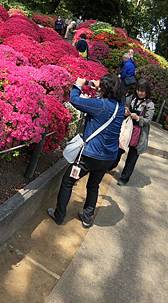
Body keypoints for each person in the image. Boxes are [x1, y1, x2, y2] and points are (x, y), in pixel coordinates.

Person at [48, 75, 125, 228]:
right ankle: (87, 216)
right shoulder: (120, 107)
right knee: (93, 185)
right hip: (108, 157)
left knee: (68, 181)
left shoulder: (100, 105)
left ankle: (59, 215)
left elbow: (75, 100)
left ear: (105, 89)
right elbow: (109, 99)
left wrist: (78, 85)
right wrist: (100, 88)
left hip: (90, 156)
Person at [111, 79, 155, 185]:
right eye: (138, 90)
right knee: (118, 150)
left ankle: (124, 178)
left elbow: (148, 121)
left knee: (132, 157)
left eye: (143, 91)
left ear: (147, 91)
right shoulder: (131, 98)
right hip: (126, 129)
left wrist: (138, 118)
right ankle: (110, 166)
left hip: (138, 133)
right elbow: (122, 108)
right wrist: (125, 112)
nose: (140, 93)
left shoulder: (150, 105)